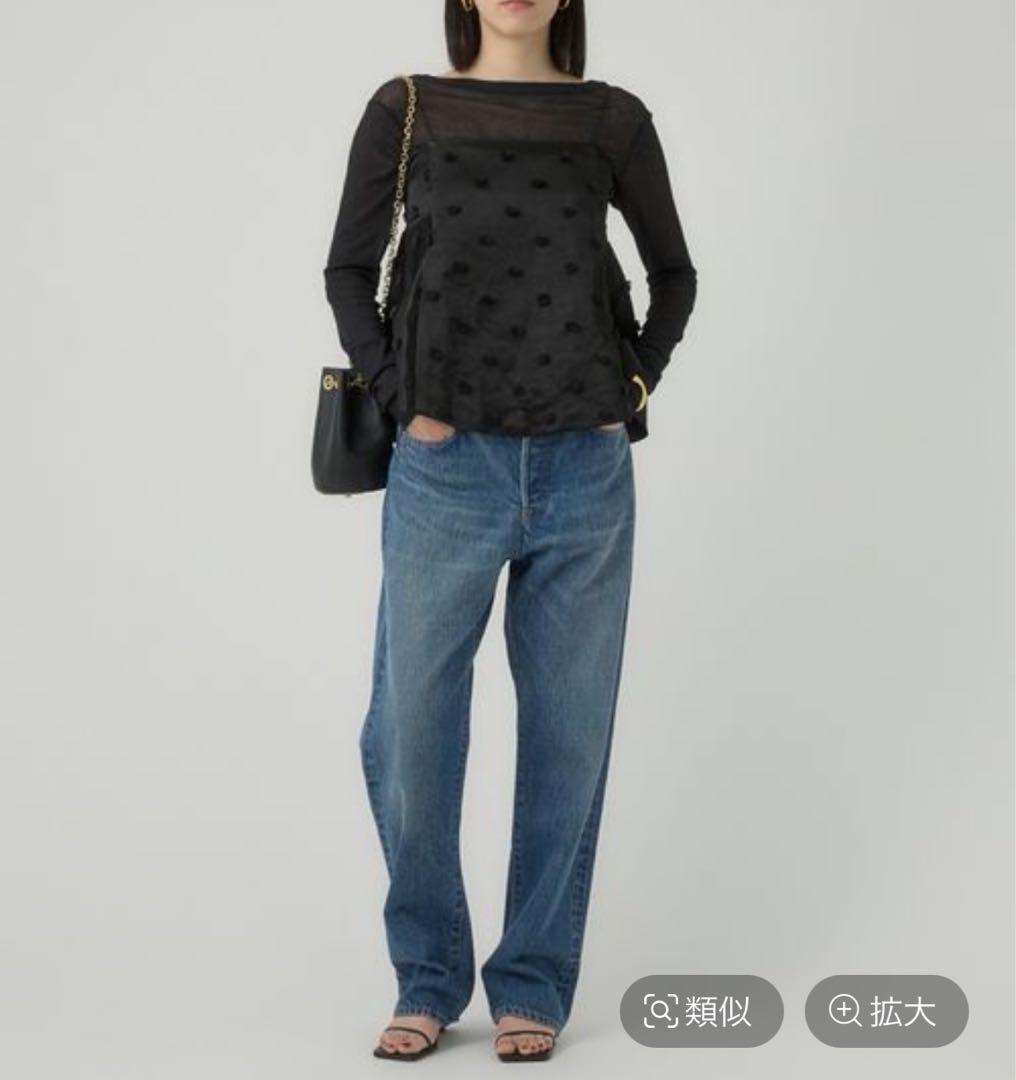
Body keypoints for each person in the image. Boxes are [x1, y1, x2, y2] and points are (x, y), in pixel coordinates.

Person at [322, 0, 697, 1061]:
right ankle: (428, 974)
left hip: (584, 470)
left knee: (569, 734)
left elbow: (674, 275)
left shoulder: (612, 119)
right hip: (445, 469)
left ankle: (532, 981)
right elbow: (348, 269)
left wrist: (628, 387)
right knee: (408, 731)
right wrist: (402, 396)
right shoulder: (406, 109)